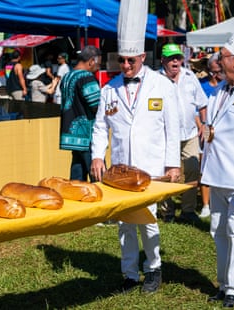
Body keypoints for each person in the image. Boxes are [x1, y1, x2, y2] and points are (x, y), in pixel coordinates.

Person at [90, 0, 181, 294]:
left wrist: (173, 163)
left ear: (143, 56)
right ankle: (129, 273)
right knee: (124, 223)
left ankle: (153, 269)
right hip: (119, 168)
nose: (126, 66)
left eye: (131, 61)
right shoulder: (110, 88)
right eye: (122, 61)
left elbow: (172, 127)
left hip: (151, 167)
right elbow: (101, 126)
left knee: (149, 220)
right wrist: (96, 156)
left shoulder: (161, 85)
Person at [158, 43, 208, 224]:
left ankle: (187, 210)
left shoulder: (190, 76)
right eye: (171, 58)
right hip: (164, 136)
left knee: (193, 170)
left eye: (178, 57)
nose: (175, 61)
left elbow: (202, 103)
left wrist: (203, 124)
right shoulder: (155, 80)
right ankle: (167, 211)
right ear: (163, 60)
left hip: (190, 134)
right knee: (166, 174)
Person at [202, 34, 234, 308]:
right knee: (218, 230)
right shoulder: (220, 90)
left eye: (223, 56)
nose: (218, 61)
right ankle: (224, 284)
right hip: (216, 173)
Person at [59, 45, 102, 181]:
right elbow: (97, 106)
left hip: (71, 135)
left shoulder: (67, 77)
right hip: (86, 134)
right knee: (98, 176)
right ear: (91, 61)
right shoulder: (87, 77)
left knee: (77, 178)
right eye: (98, 64)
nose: (98, 68)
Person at [198, 52, 224, 218]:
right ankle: (206, 205)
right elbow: (197, 107)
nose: (216, 75)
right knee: (205, 164)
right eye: (213, 72)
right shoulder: (203, 85)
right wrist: (201, 126)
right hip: (207, 128)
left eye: (218, 71)